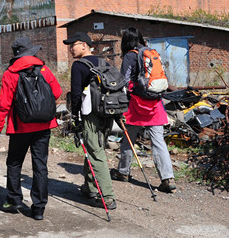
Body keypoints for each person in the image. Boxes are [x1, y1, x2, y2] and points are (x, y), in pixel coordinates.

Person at [0, 36, 61, 221]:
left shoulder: (10, 73)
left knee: (14, 163)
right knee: (40, 165)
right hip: (44, 125)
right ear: (31, 51)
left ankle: (14, 200)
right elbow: (57, 92)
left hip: (19, 127)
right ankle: (38, 208)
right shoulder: (44, 69)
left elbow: (4, 104)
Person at [112, 27, 177, 193]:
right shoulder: (151, 53)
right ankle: (167, 178)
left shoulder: (129, 56)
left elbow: (123, 81)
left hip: (136, 105)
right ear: (140, 38)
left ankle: (123, 172)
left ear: (125, 41)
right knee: (159, 142)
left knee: (128, 139)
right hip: (155, 104)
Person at [64, 31, 117, 209]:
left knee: (95, 152)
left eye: (73, 45)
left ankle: (107, 196)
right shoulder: (103, 62)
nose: (70, 49)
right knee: (94, 146)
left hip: (91, 114)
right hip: (107, 113)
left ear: (84, 45)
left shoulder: (79, 65)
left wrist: (75, 117)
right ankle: (90, 187)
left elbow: (76, 94)